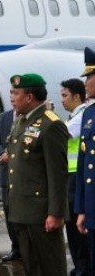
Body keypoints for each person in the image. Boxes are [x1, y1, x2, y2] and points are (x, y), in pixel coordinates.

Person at [7, 73, 69, 276]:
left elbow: (57, 173)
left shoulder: (51, 124)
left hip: (42, 213)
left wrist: (56, 212)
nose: (12, 97)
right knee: (32, 268)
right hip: (22, 210)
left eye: (16, 93)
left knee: (50, 267)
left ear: (30, 97)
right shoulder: (21, 122)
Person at [60, 78, 89, 276]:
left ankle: (82, 267)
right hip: (70, 175)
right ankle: (80, 265)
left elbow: (60, 133)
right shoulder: (74, 116)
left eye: (65, 95)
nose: (62, 100)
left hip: (74, 176)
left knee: (75, 224)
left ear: (76, 97)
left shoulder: (82, 116)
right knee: (71, 223)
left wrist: (47, 114)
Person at [0, 107, 21, 262]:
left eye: (16, 93)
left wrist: (13, 155)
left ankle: (27, 248)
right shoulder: (3, 117)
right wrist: (2, 153)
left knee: (23, 212)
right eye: (11, 93)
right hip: (6, 173)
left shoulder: (28, 117)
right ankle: (15, 248)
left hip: (22, 174)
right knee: (8, 212)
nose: (13, 96)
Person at [75, 46, 95, 275]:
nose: (86, 83)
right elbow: (83, 166)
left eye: (89, 77)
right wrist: (82, 210)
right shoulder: (89, 115)